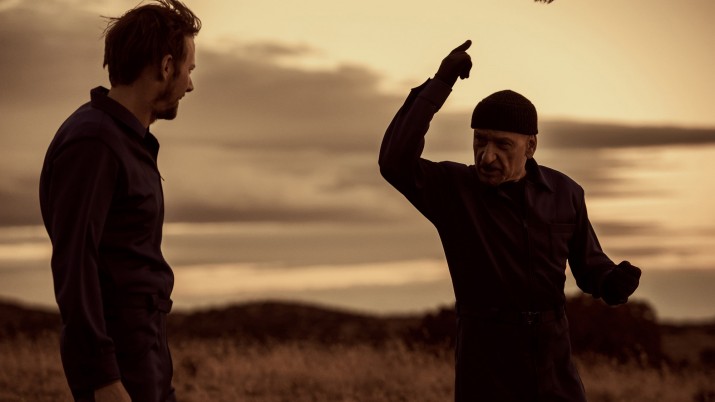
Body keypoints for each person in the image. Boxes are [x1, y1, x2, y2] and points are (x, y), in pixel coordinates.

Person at [379, 40, 641, 401]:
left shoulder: (566, 193)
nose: (487, 156)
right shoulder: (454, 190)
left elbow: (590, 266)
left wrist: (612, 282)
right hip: (486, 366)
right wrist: (440, 83)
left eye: (503, 145)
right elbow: (394, 160)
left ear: (530, 146)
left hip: (553, 365)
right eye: (480, 141)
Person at [39, 1, 200, 401]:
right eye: (189, 70)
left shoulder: (123, 140)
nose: (190, 85)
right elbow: (75, 262)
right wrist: (102, 377)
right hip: (120, 363)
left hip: (144, 350)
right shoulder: (94, 142)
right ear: (166, 66)